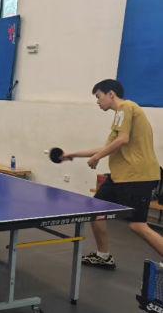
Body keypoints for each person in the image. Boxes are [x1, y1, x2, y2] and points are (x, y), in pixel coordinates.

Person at [61, 79, 162, 269]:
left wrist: (97, 158)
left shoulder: (125, 107)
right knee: (95, 211)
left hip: (137, 177)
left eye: (98, 97)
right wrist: (72, 154)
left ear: (111, 94)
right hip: (120, 177)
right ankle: (103, 256)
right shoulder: (120, 118)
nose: (97, 102)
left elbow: (122, 140)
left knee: (138, 225)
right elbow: (107, 146)